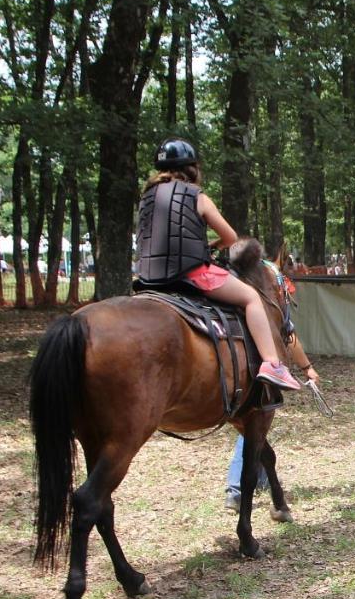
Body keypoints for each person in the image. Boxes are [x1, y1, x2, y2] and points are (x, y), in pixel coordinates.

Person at [136, 137, 300, 390]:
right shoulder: (196, 196)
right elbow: (230, 237)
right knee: (251, 298)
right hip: (189, 273)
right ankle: (271, 364)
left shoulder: (146, 198)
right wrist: (212, 246)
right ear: (192, 168)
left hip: (148, 278)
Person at [224, 292, 320, 511]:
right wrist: (306, 367)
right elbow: (289, 333)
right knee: (251, 299)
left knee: (253, 431)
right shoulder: (271, 278)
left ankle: (261, 480)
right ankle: (236, 488)